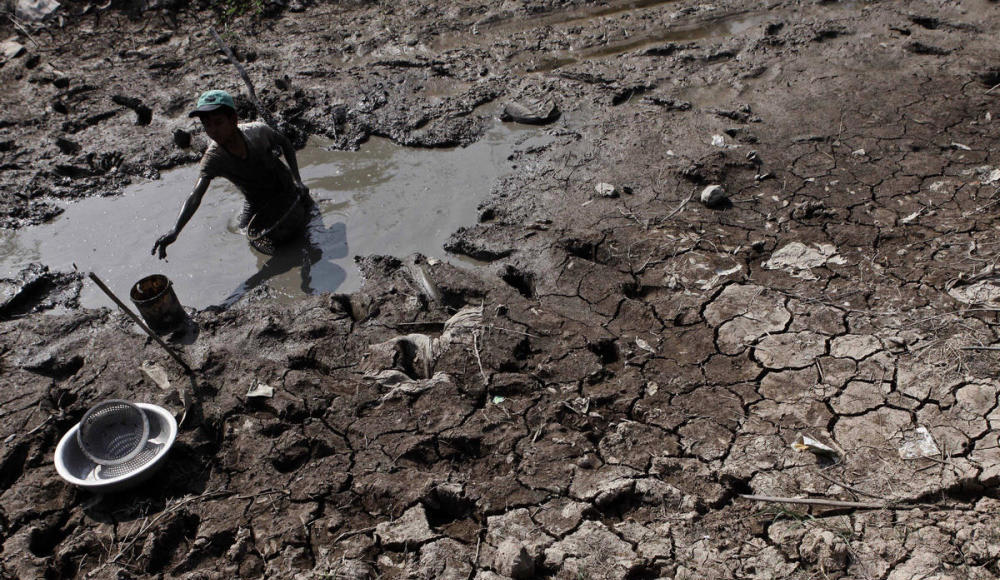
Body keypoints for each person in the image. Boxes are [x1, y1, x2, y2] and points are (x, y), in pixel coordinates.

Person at [152, 89, 312, 259]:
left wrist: (298, 180)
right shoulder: (214, 158)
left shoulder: (257, 132)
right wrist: (175, 231)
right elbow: (195, 196)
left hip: (286, 188)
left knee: (307, 221)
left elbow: (286, 144)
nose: (213, 130)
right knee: (245, 232)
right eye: (207, 124)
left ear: (233, 119)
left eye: (218, 122)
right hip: (256, 202)